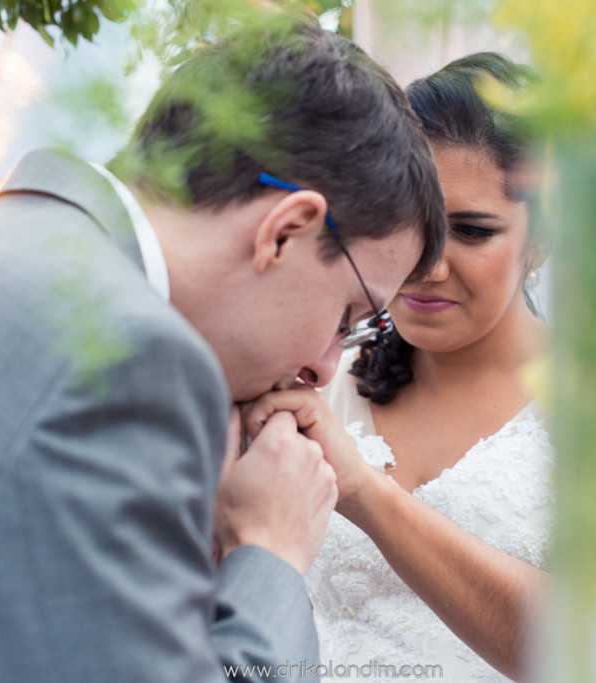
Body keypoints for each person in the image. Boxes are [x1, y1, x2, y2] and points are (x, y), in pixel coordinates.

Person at [0, 15, 446, 683]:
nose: (323, 368)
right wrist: (270, 549)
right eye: (348, 315)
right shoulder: (127, 357)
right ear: (286, 232)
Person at [242, 52, 552, 682]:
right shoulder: (322, 373)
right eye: (417, 226)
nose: (429, 265)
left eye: (470, 231)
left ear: (540, 240)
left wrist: (361, 489)